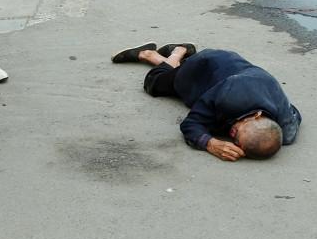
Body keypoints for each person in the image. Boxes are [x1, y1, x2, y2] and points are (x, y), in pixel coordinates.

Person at [111, 42, 301, 161]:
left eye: (235, 139)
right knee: (155, 84)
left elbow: (295, 113)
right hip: (206, 66)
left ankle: (174, 56)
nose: (232, 134)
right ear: (258, 115)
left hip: (236, 68)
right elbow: (192, 123)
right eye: (238, 131)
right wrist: (210, 143)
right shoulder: (227, 97)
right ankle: (164, 53)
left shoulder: (287, 127)